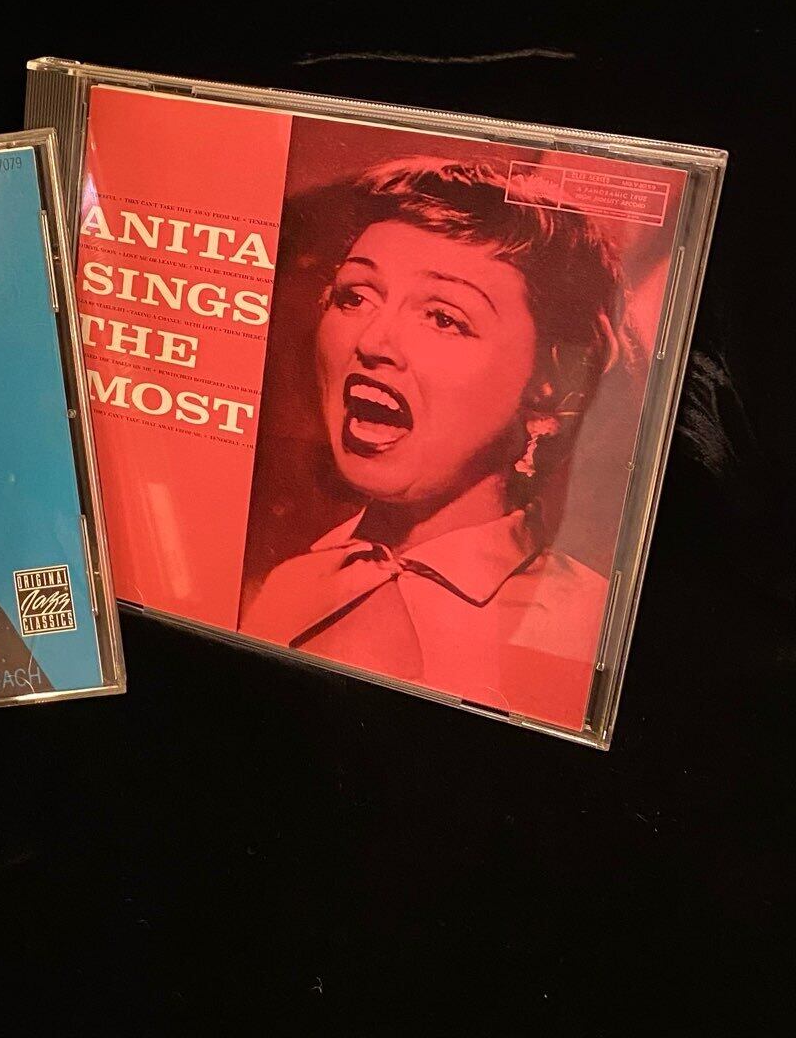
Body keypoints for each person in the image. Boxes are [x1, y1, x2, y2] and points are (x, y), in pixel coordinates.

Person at [240, 158, 628, 729]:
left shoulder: (589, 625)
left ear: (550, 380)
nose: (373, 341)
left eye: (444, 318)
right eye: (355, 297)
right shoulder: (281, 587)